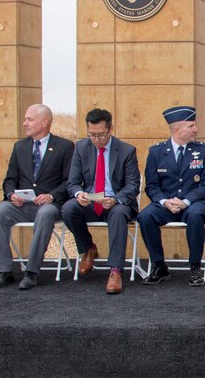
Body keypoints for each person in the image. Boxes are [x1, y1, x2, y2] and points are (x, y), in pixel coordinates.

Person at [0, 104, 74, 290]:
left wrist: (51, 196)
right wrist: (11, 195)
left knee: (45, 215)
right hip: (20, 205)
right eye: (25, 119)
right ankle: (4, 271)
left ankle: (32, 271)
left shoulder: (65, 147)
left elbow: (69, 182)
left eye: (30, 119)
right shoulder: (20, 147)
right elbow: (10, 179)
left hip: (48, 206)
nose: (25, 123)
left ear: (44, 122)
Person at [62, 108, 141, 294]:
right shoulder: (81, 148)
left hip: (116, 203)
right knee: (68, 209)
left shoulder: (126, 151)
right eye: (92, 135)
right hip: (90, 201)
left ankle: (115, 271)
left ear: (110, 129)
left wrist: (115, 199)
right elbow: (72, 182)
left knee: (119, 213)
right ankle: (88, 248)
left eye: (101, 135)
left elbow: (133, 185)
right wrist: (78, 194)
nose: (96, 140)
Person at [137, 106, 205, 287]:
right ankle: (159, 266)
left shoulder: (202, 151)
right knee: (145, 216)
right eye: (191, 126)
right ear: (177, 130)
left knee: (196, 215)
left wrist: (186, 201)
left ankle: (195, 267)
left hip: (195, 202)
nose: (195, 129)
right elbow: (151, 186)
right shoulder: (156, 152)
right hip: (167, 204)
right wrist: (165, 202)